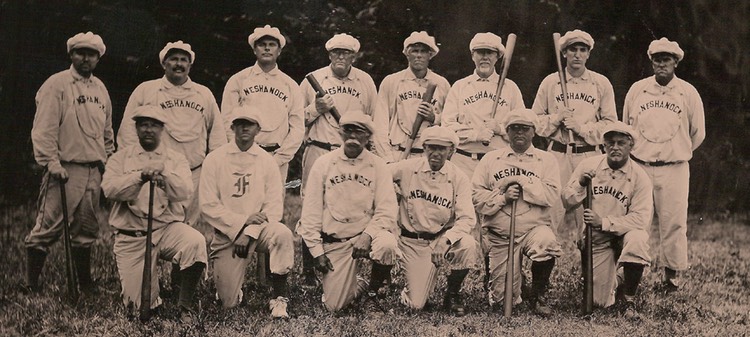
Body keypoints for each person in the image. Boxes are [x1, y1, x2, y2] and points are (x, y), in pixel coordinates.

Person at [298, 33, 392, 286]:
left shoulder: (365, 81)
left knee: (352, 204)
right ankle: (309, 273)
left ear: (354, 56)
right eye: (336, 52)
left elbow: (375, 120)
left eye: (346, 53)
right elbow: (295, 122)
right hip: (319, 149)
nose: (341, 56)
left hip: (353, 153)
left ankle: (360, 263)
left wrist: (381, 155)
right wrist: (315, 109)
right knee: (312, 205)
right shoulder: (312, 81)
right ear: (329, 55)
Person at [24, 32, 114, 294]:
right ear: (71, 54)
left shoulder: (100, 89)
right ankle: (31, 284)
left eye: (91, 54)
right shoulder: (57, 84)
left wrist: (107, 161)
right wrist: (50, 161)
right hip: (64, 169)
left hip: (92, 169)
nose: (86, 58)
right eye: (80, 52)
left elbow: (107, 132)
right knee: (47, 227)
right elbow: (44, 128)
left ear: (98, 58)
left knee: (86, 228)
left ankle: (85, 283)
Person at [102, 106, 207, 318]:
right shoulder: (120, 158)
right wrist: (139, 177)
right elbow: (109, 190)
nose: (148, 129)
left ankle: (184, 306)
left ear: (162, 129)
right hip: (133, 236)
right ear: (136, 128)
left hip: (166, 229)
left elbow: (185, 191)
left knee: (195, 241)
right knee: (138, 307)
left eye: (154, 125)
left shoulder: (175, 159)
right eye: (143, 124)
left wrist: (165, 176)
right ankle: (150, 288)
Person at [623, 37, 705, 290]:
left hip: (675, 167)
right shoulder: (637, 89)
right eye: (657, 59)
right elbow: (626, 126)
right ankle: (631, 276)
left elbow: (697, 133)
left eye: (666, 59)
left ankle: (671, 277)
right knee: (638, 222)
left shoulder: (688, 92)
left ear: (676, 62)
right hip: (641, 166)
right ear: (651, 61)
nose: (661, 64)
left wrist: (675, 151)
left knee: (674, 222)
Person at [297, 110, 400, 312]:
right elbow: (310, 214)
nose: (353, 136)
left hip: (367, 235)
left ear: (368, 137)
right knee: (334, 306)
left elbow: (387, 209)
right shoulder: (323, 164)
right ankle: (356, 282)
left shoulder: (378, 165)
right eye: (348, 130)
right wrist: (317, 252)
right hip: (337, 240)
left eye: (359, 131)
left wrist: (368, 235)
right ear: (340, 133)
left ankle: (371, 294)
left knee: (387, 245)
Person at [118, 40, 226, 228]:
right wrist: (136, 167)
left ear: (190, 65)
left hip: (193, 173)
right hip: (156, 173)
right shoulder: (146, 90)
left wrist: (214, 170)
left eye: (184, 60)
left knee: (186, 228)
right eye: (173, 59)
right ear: (163, 63)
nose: (179, 64)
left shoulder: (203, 94)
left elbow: (217, 134)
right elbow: (128, 131)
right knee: (153, 226)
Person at [200, 106, 294, 318]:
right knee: (228, 304)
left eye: (249, 124)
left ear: (258, 129)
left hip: (258, 232)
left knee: (282, 233)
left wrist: (249, 231)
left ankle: (279, 298)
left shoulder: (266, 160)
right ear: (232, 127)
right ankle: (232, 288)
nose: (244, 128)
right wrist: (241, 223)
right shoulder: (215, 159)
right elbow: (207, 205)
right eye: (240, 123)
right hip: (227, 235)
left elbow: (274, 207)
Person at [472, 108, 562, 317]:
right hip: (501, 236)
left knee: (547, 242)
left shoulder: (546, 160)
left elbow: (551, 196)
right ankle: (513, 282)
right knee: (501, 300)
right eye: (514, 129)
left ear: (534, 131)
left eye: (525, 129)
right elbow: (476, 197)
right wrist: (502, 198)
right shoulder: (491, 159)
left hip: (533, 230)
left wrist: (524, 183)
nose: (519, 133)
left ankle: (539, 294)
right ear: (507, 132)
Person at [562, 122, 653, 317]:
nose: (615, 147)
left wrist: (603, 222)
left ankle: (629, 300)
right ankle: (619, 279)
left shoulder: (640, 177)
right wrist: (580, 183)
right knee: (599, 302)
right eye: (610, 142)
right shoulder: (588, 166)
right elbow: (567, 201)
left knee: (638, 239)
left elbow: (640, 219)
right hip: (597, 239)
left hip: (624, 234)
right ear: (603, 145)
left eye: (621, 143)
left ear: (631, 146)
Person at [531, 29, 617, 236]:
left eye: (582, 50)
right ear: (564, 53)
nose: (577, 54)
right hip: (557, 156)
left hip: (589, 157)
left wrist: (581, 128)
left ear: (588, 54)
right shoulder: (550, 82)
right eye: (572, 50)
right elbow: (534, 122)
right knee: (547, 217)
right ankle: (543, 262)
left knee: (590, 222)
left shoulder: (601, 83)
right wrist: (556, 118)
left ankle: (590, 267)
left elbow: (610, 125)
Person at [388, 126, 480, 316]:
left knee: (468, 244)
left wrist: (446, 240)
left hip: (440, 238)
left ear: (451, 151)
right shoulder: (407, 167)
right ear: (424, 148)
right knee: (417, 305)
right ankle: (411, 286)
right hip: (412, 240)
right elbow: (379, 175)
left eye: (442, 149)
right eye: (431, 147)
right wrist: (390, 191)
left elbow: (467, 219)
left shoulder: (458, 177)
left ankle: (453, 293)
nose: (436, 153)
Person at [221, 25, 304, 184]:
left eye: (272, 44)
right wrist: (240, 152)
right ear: (254, 49)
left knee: (273, 206)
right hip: (244, 157)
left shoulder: (290, 85)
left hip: (276, 157)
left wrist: (280, 158)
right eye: (262, 44)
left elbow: (297, 127)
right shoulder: (238, 80)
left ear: (279, 51)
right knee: (243, 205)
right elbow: (227, 120)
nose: (267, 48)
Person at [442, 32, 525, 178]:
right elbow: (447, 127)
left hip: (499, 162)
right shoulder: (460, 86)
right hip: (463, 162)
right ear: (473, 56)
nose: (485, 57)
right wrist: (476, 135)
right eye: (480, 52)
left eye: (490, 53)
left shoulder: (510, 88)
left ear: (497, 57)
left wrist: (499, 128)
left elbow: (523, 128)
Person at [378, 31, 451, 160]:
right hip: (398, 153)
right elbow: (380, 125)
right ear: (407, 54)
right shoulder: (391, 82)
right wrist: (388, 159)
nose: (418, 55)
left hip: (429, 157)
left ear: (430, 55)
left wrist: (434, 118)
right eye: (414, 51)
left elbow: (449, 123)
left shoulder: (441, 84)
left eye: (423, 51)